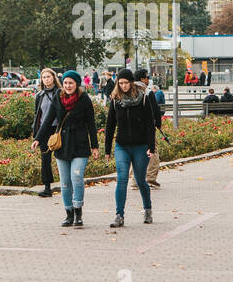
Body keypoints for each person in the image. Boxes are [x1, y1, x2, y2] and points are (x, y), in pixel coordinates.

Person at [34, 71, 98, 228]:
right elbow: (49, 118)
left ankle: (78, 212)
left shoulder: (84, 99)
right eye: (66, 83)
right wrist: (37, 138)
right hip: (62, 144)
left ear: (77, 84)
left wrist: (94, 146)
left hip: (80, 144)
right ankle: (68, 213)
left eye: (71, 83)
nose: (68, 86)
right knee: (64, 182)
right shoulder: (58, 97)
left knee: (76, 178)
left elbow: (91, 124)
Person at [104, 68, 156, 228]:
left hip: (140, 146)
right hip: (122, 146)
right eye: (120, 83)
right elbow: (110, 125)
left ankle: (147, 210)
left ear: (131, 83)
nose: (123, 86)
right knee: (121, 179)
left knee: (140, 180)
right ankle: (119, 215)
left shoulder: (143, 99)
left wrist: (151, 147)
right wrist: (107, 149)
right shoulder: (115, 100)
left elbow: (150, 124)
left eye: (126, 82)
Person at [31, 67, 60, 198]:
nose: (46, 79)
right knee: (45, 158)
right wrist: (36, 134)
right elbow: (38, 114)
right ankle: (47, 187)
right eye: (44, 77)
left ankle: (67, 184)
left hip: (57, 129)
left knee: (62, 157)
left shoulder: (60, 93)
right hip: (43, 129)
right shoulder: (40, 95)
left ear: (53, 77)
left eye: (48, 76)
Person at [135, 68, 164, 188]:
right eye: (147, 78)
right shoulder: (148, 92)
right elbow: (156, 111)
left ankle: (134, 181)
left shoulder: (129, 92)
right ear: (142, 79)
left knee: (135, 153)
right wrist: (158, 124)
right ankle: (151, 178)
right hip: (147, 128)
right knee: (153, 151)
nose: (148, 80)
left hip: (133, 129)